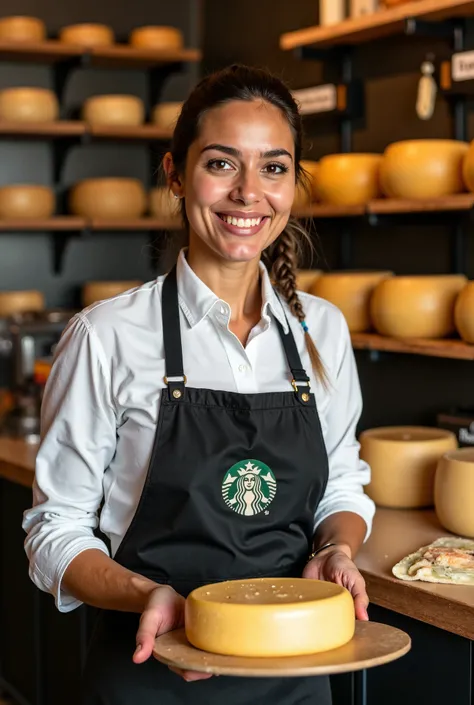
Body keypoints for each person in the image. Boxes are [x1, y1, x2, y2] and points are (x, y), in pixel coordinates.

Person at [23, 63, 375, 705]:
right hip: (147, 669)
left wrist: (339, 550)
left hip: (294, 672)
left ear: (293, 184)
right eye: (221, 164)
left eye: (273, 167)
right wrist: (147, 596)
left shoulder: (321, 329)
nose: (248, 193)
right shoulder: (107, 336)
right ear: (176, 175)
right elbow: (56, 531)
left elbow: (342, 483)